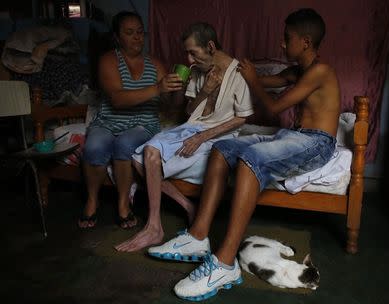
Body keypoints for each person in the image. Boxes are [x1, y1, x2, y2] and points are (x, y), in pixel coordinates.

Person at [147, 8, 341, 301]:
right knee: (223, 148)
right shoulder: (298, 71)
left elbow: (275, 107)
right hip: (295, 136)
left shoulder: (320, 71)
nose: (281, 44)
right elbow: (267, 82)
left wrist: (249, 78)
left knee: (251, 159)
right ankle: (198, 236)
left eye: (286, 38)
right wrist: (230, 69)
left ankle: (225, 264)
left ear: (305, 41)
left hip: (317, 143)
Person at [114, 22, 254, 252]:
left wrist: (202, 137)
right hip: (191, 128)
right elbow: (189, 113)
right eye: (187, 53)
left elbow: (243, 118)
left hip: (217, 135)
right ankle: (187, 207)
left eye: (193, 52)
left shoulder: (238, 74)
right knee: (138, 159)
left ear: (210, 46)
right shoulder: (198, 71)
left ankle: (154, 226)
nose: (189, 60)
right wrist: (205, 91)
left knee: (148, 154)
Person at [78, 11, 183, 229]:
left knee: (125, 144)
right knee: (94, 147)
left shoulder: (154, 64)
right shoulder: (108, 60)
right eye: (129, 33)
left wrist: (178, 87)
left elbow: (170, 103)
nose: (137, 37)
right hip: (109, 120)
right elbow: (117, 99)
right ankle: (92, 199)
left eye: (140, 32)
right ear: (117, 37)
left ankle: (123, 203)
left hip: (143, 122)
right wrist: (157, 87)